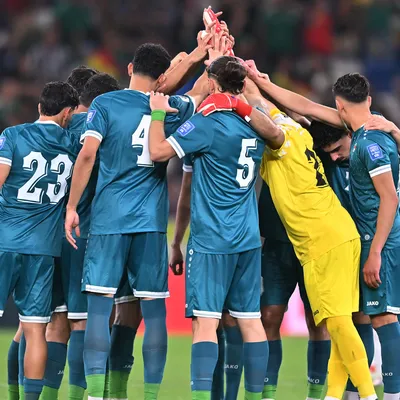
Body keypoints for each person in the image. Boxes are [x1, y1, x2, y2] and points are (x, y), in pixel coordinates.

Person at [204, 69, 378, 400]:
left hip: (324, 243)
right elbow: (265, 106)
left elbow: (264, 117)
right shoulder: (297, 133)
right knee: (339, 324)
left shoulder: (282, 143)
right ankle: (333, 395)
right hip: (337, 236)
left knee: (339, 325)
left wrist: (237, 101)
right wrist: (244, 79)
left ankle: (368, 396)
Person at [64, 38, 213, 399]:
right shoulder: (173, 107)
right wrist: (210, 51)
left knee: (99, 310)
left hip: (108, 222)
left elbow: (87, 155)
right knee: (154, 313)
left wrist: (72, 207)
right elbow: (203, 89)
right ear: (162, 78)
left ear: (130, 68)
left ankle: (95, 394)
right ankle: (149, 395)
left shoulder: (105, 104)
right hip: (150, 224)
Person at [253, 69, 400, 400]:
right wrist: (262, 83)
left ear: (341, 108)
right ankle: (345, 394)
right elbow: (304, 107)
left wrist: (377, 251)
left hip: (374, 241)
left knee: (376, 318)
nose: (333, 156)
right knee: (355, 318)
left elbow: (390, 198)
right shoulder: (354, 133)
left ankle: (382, 393)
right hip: (354, 240)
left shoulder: (370, 141)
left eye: (336, 149)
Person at [147, 55, 287, 400]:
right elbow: (278, 136)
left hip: (212, 240)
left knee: (205, 323)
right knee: (250, 321)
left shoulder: (206, 123)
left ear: (212, 83)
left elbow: (158, 152)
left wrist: (158, 114)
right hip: (247, 239)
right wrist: (242, 105)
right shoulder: (254, 122)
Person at [40, 71, 121, 400]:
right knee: (82, 322)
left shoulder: (50, 127)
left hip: (44, 235)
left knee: (46, 324)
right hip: (80, 232)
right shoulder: (100, 127)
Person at [0, 81, 79, 399]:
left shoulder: (13, 136)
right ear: (67, 113)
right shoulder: (73, 145)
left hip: (5, 242)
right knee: (35, 331)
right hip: (43, 250)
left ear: (39, 107)